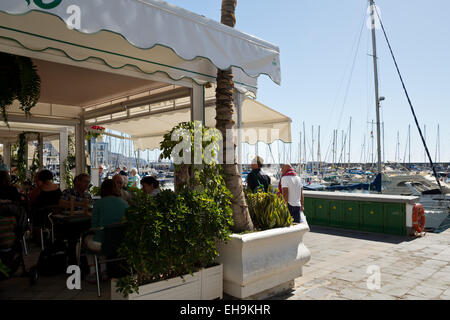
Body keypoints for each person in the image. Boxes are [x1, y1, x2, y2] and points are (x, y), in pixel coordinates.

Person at [83, 179, 129, 283]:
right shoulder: (124, 203)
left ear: (102, 189)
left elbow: (94, 226)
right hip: (121, 242)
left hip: (104, 243)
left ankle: (93, 272)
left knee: (86, 240)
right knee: (104, 238)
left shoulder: (99, 204)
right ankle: (104, 270)